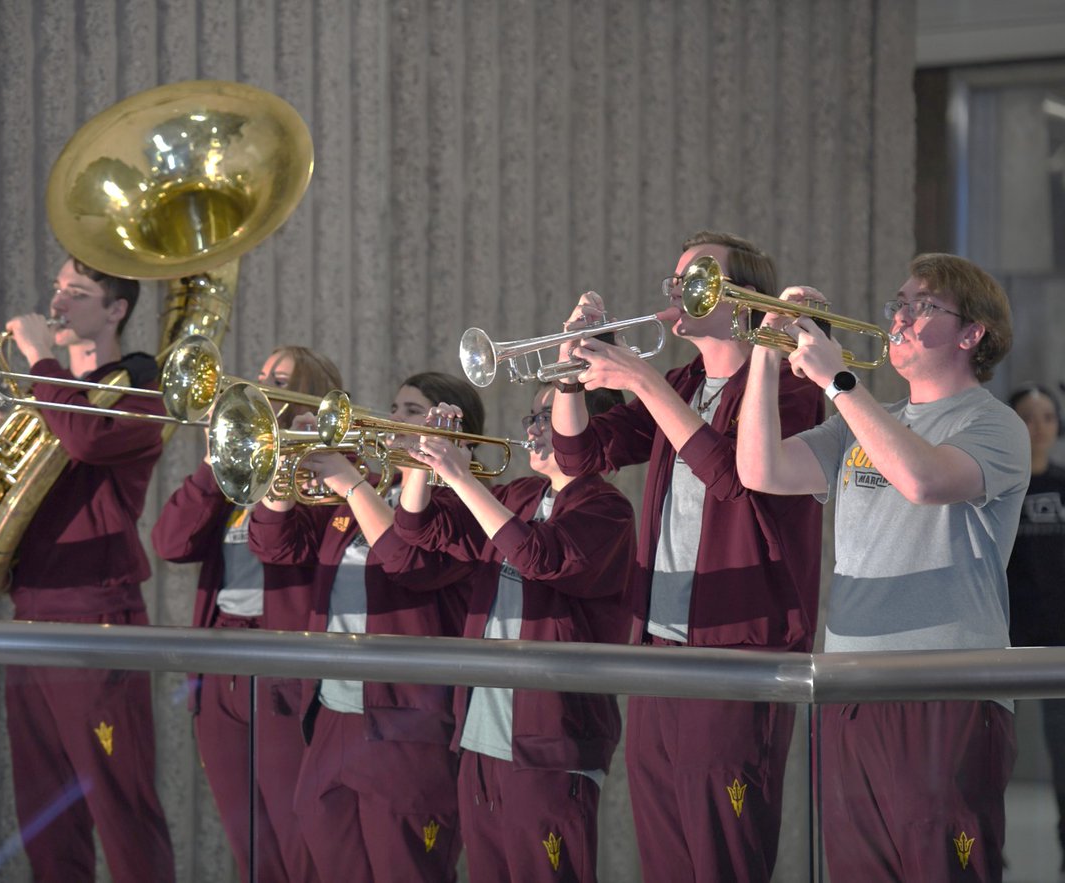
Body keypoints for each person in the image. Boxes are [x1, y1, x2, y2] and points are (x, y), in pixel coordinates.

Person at [736, 253, 1029, 881]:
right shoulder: (868, 419)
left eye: (922, 306)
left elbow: (924, 480)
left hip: (945, 690)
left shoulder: (995, 424)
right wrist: (766, 348)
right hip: (851, 687)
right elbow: (759, 470)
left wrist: (841, 384)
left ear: (971, 333)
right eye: (897, 302)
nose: (898, 316)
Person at [551, 230, 825, 881]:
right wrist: (568, 373)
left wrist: (642, 380)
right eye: (675, 280)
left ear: (745, 299)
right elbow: (578, 456)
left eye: (696, 278)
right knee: (665, 854)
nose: (676, 291)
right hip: (659, 647)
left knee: (722, 856)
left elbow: (732, 476)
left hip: (736, 650)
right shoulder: (681, 381)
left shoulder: (788, 389)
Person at [0, 257, 175, 883]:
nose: (57, 302)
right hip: (34, 610)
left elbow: (87, 441)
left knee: (120, 804)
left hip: (97, 613)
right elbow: (52, 492)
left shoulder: (141, 386)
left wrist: (38, 359)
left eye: (77, 293)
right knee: (44, 814)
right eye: (57, 288)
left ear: (116, 310)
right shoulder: (53, 396)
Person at [393, 382, 634, 883]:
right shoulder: (521, 495)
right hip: (481, 738)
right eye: (532, 415)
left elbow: (539, 556)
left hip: (550, 744)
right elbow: (420, 529)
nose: (532, 428)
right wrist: (423, 458)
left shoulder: (608, 510)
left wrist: (462, 478)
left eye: (548, 416)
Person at [248, 371, 483, 883]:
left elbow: (407, 560)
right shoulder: (360, 498)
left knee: (406, 868)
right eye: (395, 408)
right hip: (333, 713)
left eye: (413, 412)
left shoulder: (460, 509)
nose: (394, 420)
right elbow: (274, 546)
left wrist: (349, 482)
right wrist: (285, 465)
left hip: (408, 721)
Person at [152, 346, 342, 882]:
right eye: (259, 375)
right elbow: (169, 543)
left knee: (296, 834)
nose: (256, 386)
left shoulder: (318, 475)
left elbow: (291, 549)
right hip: (220, 664)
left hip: (280, 660)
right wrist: (216, 459)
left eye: (276, 379)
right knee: (247, 839)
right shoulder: (236, 478)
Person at [1005, 383, 1065, 879]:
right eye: (1027, 417)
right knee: (991, 755)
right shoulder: (1004, 485)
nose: (1038, 426)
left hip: (1061, 650)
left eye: (1047, 417)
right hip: (1004, 646)